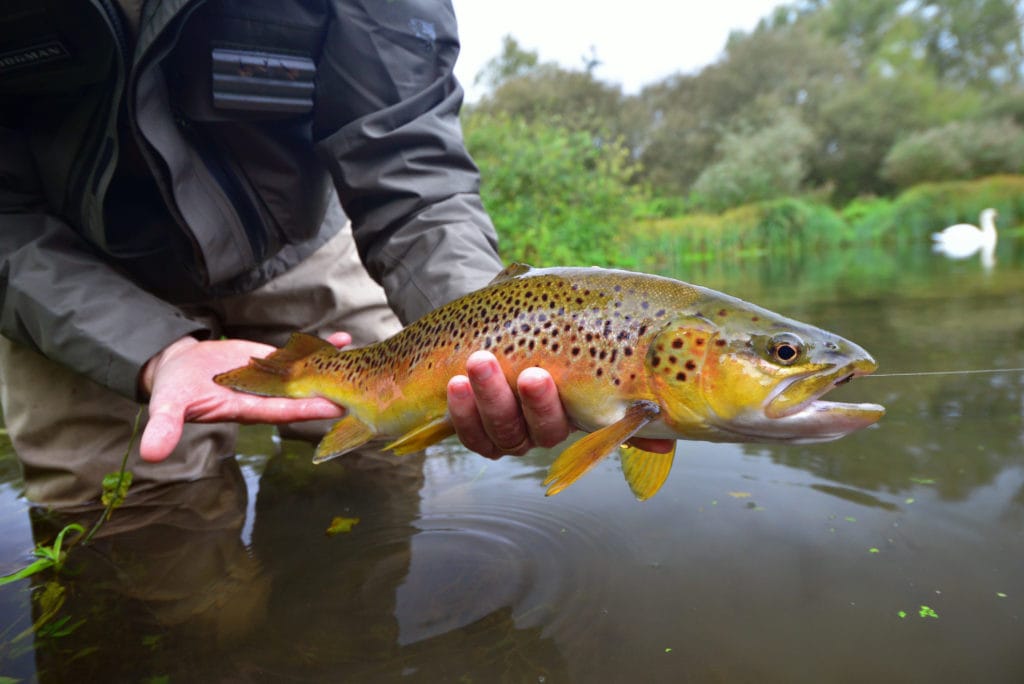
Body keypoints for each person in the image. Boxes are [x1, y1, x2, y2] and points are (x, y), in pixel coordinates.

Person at [0, 0, 579, 507]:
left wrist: (486, 331)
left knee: (378, 468)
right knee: (141, 530)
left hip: (298, 237)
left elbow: (406, 155)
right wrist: (147, 351)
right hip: (64, 261)